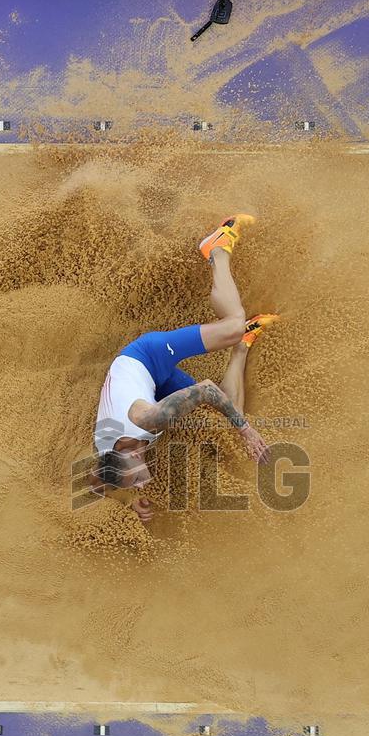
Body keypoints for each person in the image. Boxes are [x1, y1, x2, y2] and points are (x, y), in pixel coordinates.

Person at [91, 214, 279, 524]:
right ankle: (243, 345)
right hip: (153, 388)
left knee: (231, 326)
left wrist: (246, 431)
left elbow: (205, 389)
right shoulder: (108, 460)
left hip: (146, 357)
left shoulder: (149, 418)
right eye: (134, 485)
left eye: (136, 480)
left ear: (134, 456)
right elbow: (97, 485)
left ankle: (216, 248)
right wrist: (130, 501)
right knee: (227, 416)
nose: (141, 485)